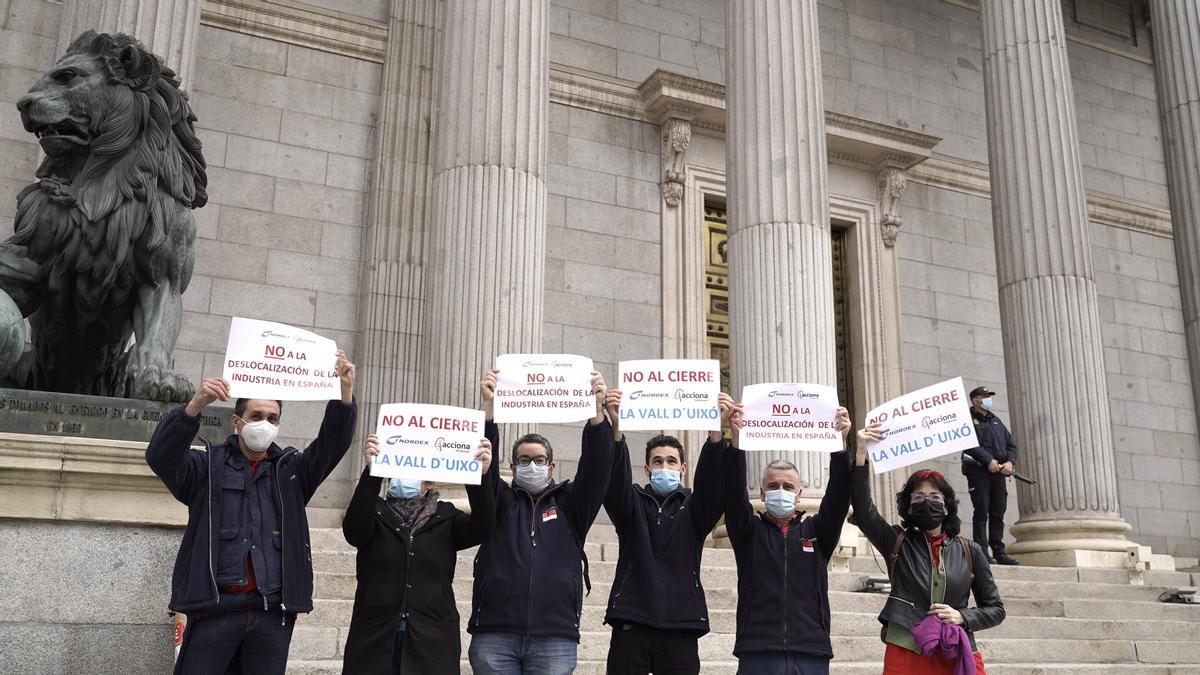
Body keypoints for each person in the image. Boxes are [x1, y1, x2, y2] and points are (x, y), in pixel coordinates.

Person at [145, 351, 358, 675]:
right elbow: (161, 456)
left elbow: (331, 446)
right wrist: (194, 406)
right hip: (213, 612)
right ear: (237, 421)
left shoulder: (292, 472)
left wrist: (344, 395)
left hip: (270, 616)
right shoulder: (208, 467)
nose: (264, 424)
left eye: (272, 418)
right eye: (256, 415)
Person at [467, 367, 616, 675]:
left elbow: (598, 470)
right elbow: (481, 470)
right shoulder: (500, 501)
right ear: (512, 464)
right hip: (495, 633)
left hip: (555, 636)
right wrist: (488, 411)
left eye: (538, 460)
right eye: (524, 460)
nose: (531, 465)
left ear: (551, 466)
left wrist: (597, 415)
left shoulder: (571, 503)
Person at [600, 390, 735, 675]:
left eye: (671, 461)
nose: (664, 466)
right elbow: (613, 484)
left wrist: (715, 435)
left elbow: (712, 486)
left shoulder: (695, 510)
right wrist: (616, 430)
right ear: (647, 469)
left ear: (683, 468)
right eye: (658, 461)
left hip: (681, 627)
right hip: (631, 624)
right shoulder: (630, 504)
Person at [853, 422, 1006, 675]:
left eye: (935, 498)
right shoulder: (896, 541)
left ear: (947, 507)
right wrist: (860, 455)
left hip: (955, 648)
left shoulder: (971, 551)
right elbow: (863, 509)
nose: (927, 502)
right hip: (906, 649)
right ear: (909, 508)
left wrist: (962, 616)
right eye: (918, 497)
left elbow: (996, 609)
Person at [340, 431, 497, 675]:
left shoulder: (446, 518)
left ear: (430, 482)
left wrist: (481, 475)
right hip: (375, 640)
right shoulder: (375, 513)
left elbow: (483, 525)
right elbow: (354, 532)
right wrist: (372, 471)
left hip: (431, 641)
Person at [723, 401, 853, 675]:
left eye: (787, 486)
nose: (780, 490)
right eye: (773, 486)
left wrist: (840, 446)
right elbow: (732, 494)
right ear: (761, 494)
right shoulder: (749, 533)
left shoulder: (817, 532)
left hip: (811, 651)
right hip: (758, 651)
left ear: (799, 494)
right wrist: (736, 441)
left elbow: (839, 499)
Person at [961, 385, 1020, 565]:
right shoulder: (967, 420)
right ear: (975, 400)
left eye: (988, 396)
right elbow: (969, 443)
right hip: (979, 472)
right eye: (984, 396)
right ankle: (981, 552)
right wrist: (988, 460)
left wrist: (1010, 462)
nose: (987, 399)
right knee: (981, 511)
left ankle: (999, 551)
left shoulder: (996, 421)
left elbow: (1011, 445)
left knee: (998, 511)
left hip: (999, 473)